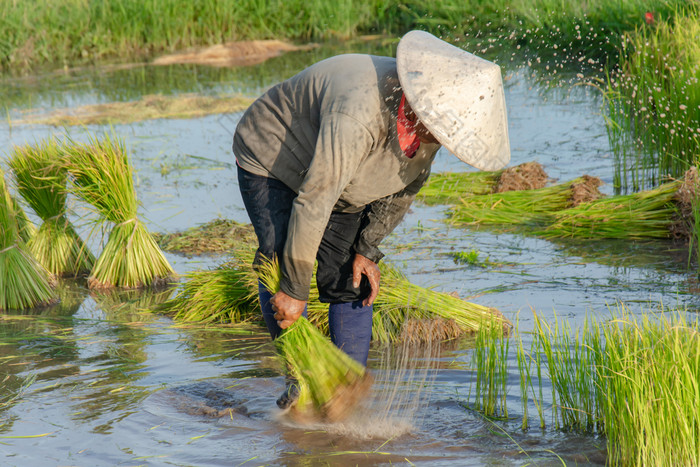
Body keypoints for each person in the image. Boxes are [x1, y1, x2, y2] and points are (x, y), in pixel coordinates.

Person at [232, 30, 511, 409]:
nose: (445, 140)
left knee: (351, 277)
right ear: (421, 107)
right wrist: (295, 291)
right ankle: (300, 384)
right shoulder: (359, 113)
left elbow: (404, 187)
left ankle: (343, 390)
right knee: (281, 263)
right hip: (277, 156)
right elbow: (316, 197)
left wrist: (366, 248)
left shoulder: (432, 125)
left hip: (342, 176)